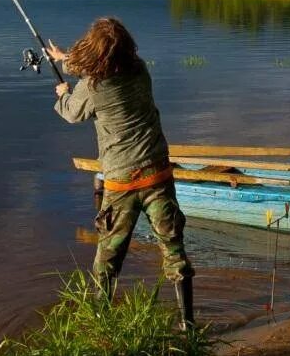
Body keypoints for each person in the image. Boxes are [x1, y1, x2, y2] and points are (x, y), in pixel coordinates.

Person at [46, 17, 195, 329]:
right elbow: (96, 64)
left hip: (121, 182)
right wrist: (64, 58)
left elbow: (73, 113)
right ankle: (187, 323)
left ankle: (102, 325)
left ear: (94, 53)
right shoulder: (140, 70)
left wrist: (62, 93)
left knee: (107, 261)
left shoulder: (91, 87)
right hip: (157, 174)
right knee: (173, 249)